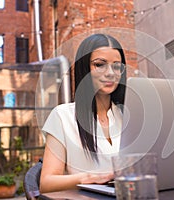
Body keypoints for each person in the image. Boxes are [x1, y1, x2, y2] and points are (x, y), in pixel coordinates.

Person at [40, 33, 127, 192]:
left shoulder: (127, 116)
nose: (110, 73)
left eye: (116, 66)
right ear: (84, 68)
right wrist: (90, 178)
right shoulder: (62, 116)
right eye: (100, 65)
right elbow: (46, 183)